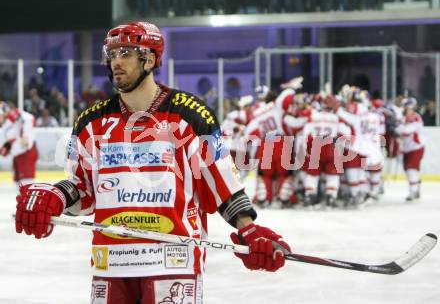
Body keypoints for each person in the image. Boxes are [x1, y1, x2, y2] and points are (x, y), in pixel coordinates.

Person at [14, 21, 291, 304]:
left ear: (148, 58)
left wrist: (249, 230)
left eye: (125, 54)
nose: (115, 63)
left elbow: (221, 184)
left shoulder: (190, 115)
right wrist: (56, 197)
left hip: (172, 263)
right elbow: (83, 192)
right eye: (111, 55)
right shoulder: (91, 122)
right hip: (111, 263)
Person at [0, 102, 38, 189]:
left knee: (26, 184)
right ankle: (21, 202)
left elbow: (29, 118)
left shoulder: (14, 117)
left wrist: (25, 134)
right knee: (17, 184)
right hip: (17, 156)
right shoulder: (6, 125)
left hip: (26, 153)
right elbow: (12, 138)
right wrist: (7, 147)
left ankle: (28, 202)